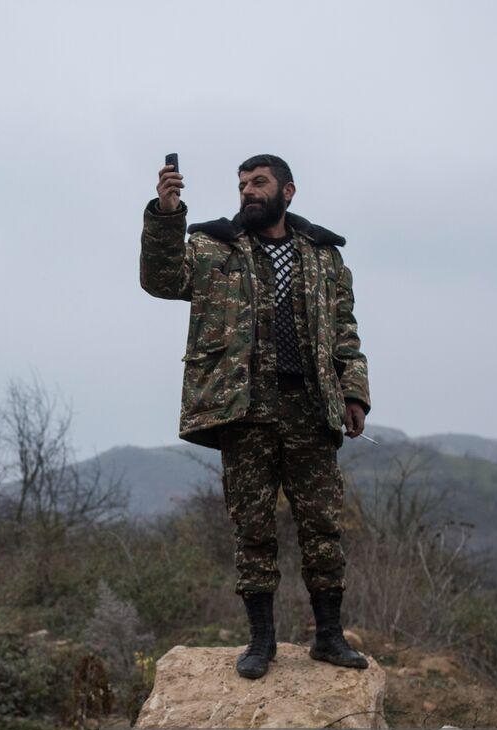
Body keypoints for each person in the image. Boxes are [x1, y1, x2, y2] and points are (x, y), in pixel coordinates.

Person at [139, 153, 371, 679]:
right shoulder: (212, 246)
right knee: (253, 529)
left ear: (288, 192)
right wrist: (166, 212)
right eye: (242, 183)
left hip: (311, 410)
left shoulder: (324, 257)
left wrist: (354, 393)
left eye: (259, 182)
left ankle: (329, 637)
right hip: (244, 409)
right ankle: (261, 641)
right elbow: (160, 279)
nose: (248, 190)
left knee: (323, 526)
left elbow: (345, 331)